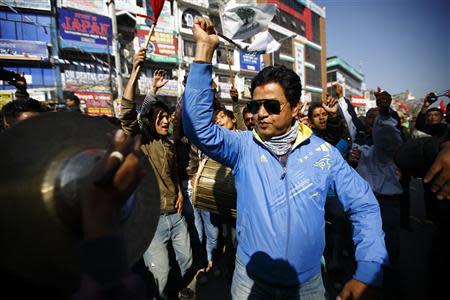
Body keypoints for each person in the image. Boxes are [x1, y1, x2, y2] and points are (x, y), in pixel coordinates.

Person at [182, 17, 387, 300]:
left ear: (295, 107)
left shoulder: (323, 154)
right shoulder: (242, 147)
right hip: (249, 282)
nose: (261, 113)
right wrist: (204, 50)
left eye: (272, 105)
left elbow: (363, 205)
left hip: (308, 286)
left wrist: (368, 268)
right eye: (256, 105)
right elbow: (199, 128)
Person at [120, 48, 193, 299]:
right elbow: (128, 112)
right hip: (152, 222)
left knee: (187, 261)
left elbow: (172, 173)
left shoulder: (169, 146)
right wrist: (135, 73)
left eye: (167, 117)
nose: (166, 121)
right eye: (160, 118)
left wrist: (180, 192)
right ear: (150, 122)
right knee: (159, 274)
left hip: (177, 215)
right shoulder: (142, 143)